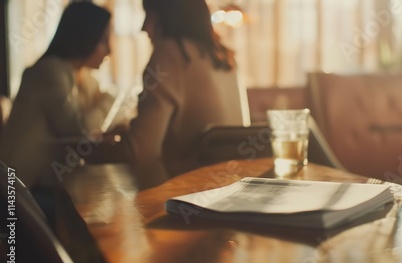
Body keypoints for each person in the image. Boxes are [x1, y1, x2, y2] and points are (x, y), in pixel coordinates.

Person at [123, 0, 250, 175]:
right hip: (231, 186)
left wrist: (88, 150)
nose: (143, 28)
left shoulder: (169, 55)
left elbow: (141, 151)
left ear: (168, 17)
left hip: (187, 192)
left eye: (149, 16)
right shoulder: (224, 57)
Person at [0, 2, 112, 188]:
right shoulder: (49, 72)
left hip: (41, 184)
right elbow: (80, 130)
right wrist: (111, 99)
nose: (110, 51)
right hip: (18, 191)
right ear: (85, 37)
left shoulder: (78, 75)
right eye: (104, 40)